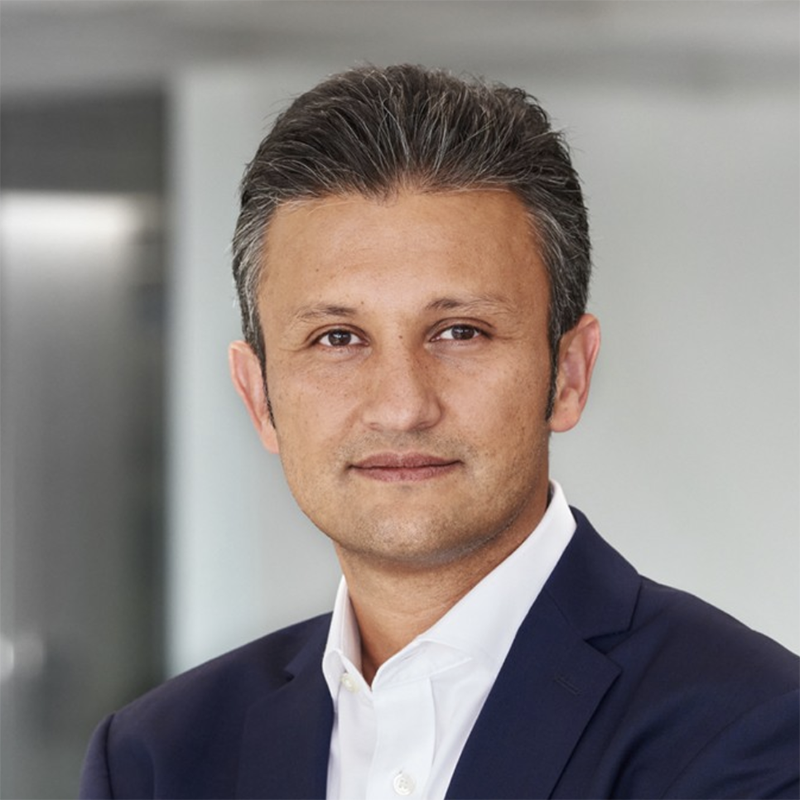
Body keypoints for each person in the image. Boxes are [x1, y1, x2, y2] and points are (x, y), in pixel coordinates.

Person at [79, 64, 799, 800]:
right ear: (259, 395)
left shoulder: (757, 734)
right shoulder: (154, 762)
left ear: (569, 373)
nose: (401, 406)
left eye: (461, 331)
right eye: (337, 338)